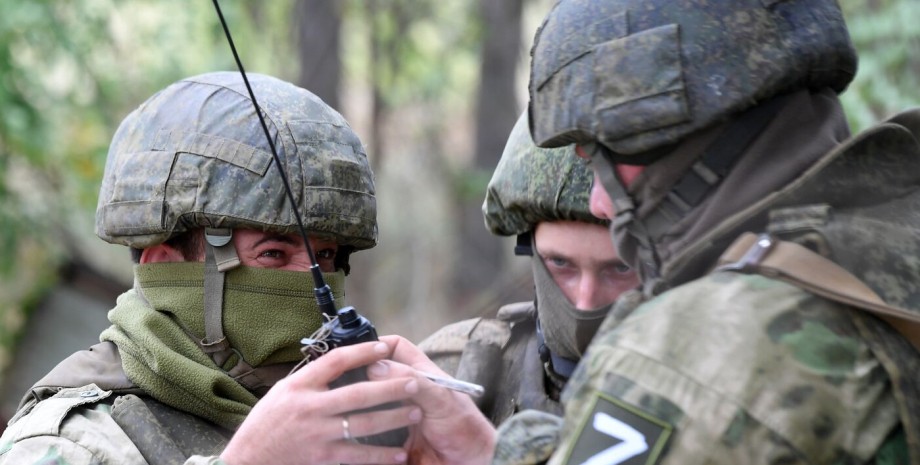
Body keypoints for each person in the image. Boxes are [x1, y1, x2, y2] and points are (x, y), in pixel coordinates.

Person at [482, 0, 920, 463]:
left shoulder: (689, 349)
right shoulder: (893, 234)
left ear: (660, 134)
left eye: (600, 157)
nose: (600, 203)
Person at [0, 71, 459, 465]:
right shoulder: (73, 441)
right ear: (165, 268)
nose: (311, 284)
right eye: (273, 256)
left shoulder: (352, 421)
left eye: (324, 258)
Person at [419, 111, 638, 425]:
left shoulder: (718, 392)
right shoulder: (451, 371)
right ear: (529, 249)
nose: (584, 301)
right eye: (561, 263)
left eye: (620, 268)